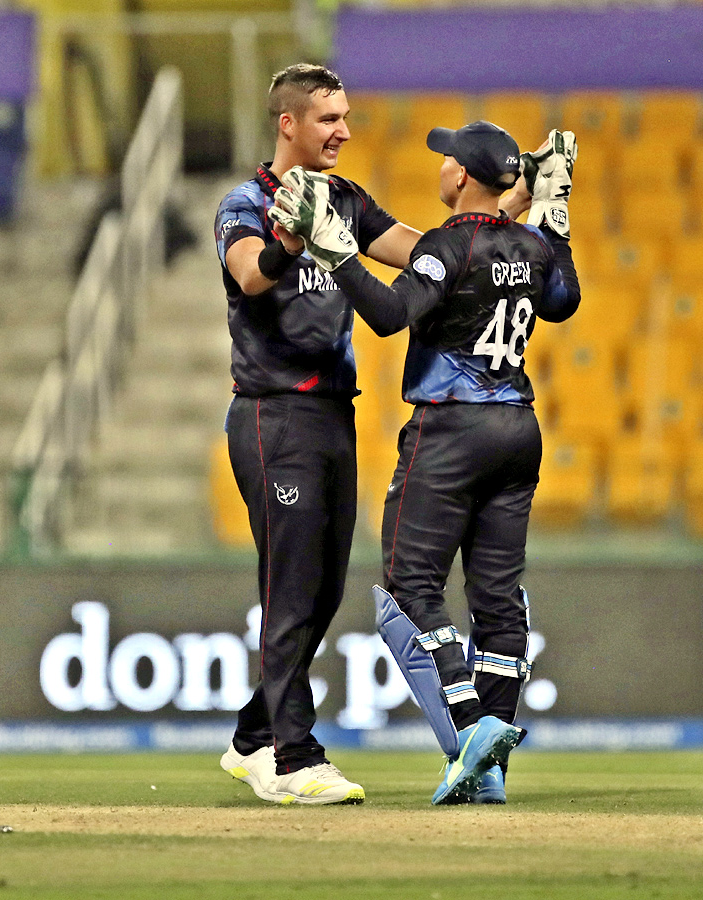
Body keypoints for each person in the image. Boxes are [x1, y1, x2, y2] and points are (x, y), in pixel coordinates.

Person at [270, 121, 580, 804]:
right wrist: (556, 214)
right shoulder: (530, 245)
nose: (439, 167)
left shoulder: (449, 243)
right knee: (497, 598)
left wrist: (337, 251)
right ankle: (488, 772)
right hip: (518, 429)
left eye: (446, 160)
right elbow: (565, 301)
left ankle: (469, 731)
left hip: (450, 430)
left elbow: (389, 313)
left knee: (409, 587)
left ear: (463, 176)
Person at [212, 63, 428, 805]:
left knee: (324, 588)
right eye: (329, 119)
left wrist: (491, 230)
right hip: (273, 415)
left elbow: (415, 249)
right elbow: (250, 274)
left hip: (335, 412)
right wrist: (290, 237)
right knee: (292, 586)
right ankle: (293, 757)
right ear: (289, 123)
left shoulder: (346, 200)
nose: (343, 132)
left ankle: (252, 738)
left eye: (346, 117)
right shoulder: (244, 204)